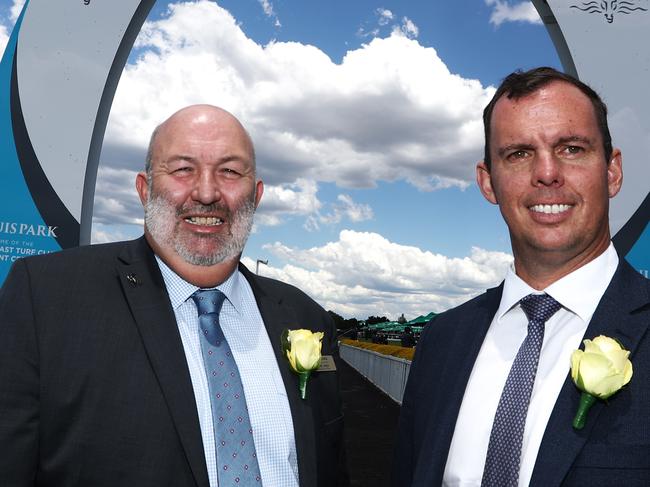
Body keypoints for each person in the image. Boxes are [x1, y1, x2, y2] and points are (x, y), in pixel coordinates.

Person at [0, 105, 348, 487]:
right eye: (183, 169)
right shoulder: (46, 297)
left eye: (230, 171)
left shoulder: (306, 317)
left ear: (256, 194)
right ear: (145, 190)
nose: (206, 192)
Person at [393, 67, 650, 486]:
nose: (546, 173)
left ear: (612, 171)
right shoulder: (442, 340)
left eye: (571, 148)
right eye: (518, 154)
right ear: (488, 182)